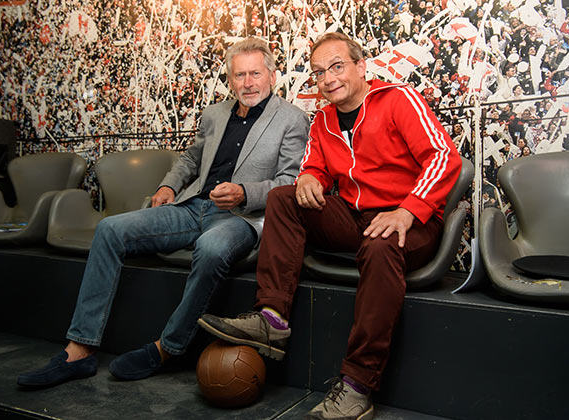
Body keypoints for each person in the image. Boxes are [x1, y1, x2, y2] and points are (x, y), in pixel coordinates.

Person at [17, 37, 310, 388]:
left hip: (243, 218)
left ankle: (169, 348)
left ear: (272, 76)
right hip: (192, 206)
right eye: (239, 75)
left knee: (212, 248)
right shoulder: (215, 114)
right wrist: (168, 186)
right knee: (110, 229)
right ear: (230, 79)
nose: (247, 83)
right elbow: (189, 159)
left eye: (255, 74)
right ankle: (80, 349)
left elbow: (289, 182)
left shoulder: (292, 119)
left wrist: (244, 192)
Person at [198, 32, 462, 420]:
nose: (328, 79)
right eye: (319, 72)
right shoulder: (322, 118)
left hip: (410, 221)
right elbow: (313, 167)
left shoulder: (398, 99)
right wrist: (307, 179)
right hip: (356, 216)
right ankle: (271, 318)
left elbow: (444, 157)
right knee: (283, 198)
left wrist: (408, 210)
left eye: (337, 67)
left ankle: (358, 384)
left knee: (380, 244)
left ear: (360, 66)